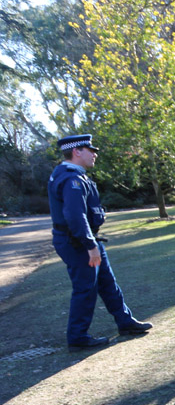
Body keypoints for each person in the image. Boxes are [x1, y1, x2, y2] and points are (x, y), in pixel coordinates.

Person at [47, 134, 152, 351]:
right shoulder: (71, 179)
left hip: (85, 239)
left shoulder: (74, 175)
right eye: (90, 150)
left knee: (107, 283)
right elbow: (75, 216)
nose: (94, 154)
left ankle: (125, 321)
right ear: (76, 151)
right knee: (85, 288)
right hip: (78, 243)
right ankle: (77, 337)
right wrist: (90, 245)